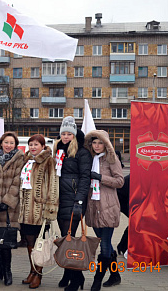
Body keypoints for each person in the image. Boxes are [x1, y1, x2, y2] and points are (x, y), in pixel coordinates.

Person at [53, 116, 92, 291]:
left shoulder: (82, 152)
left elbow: (85, 178)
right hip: (60, 199)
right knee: (64, 237)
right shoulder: (58, 149)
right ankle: (68, 273)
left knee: (70, 238)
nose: (66, 136)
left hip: (74, 199)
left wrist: (80, 200)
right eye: (63, 133)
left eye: (69, 133)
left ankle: (77, 277)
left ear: (75, 135)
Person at [84, 130, 124, 291]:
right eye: (94, 142)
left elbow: (120, 181)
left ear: (106, 144)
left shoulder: (111, 159)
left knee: (105, 245)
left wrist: (100, 177)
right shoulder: (90, 159)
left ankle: (97, 280)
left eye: (100, 143)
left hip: (108, 208)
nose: (97, 145)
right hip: (93, 207)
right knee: (104, 243)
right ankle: (115, 275)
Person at [19, 134, 59, 289]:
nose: (33, 147)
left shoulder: (49, 161)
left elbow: (53, 185)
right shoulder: (27, 160)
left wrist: (50, 207)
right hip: (25, 210)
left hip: (39, 209)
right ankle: (32, 270)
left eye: (36, 144)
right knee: (29, 241)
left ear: (43, 146)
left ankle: (39, 274)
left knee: (39, 242)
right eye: (31, 144)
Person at [0, 132, 24, 286]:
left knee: (6, 243)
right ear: (1, 143)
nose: (8, 145)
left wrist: (7, 201)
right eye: (6, 142)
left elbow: (17, 182)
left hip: (9, 208)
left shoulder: (19, 158)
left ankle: (7, 272)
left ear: (15, 145)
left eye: (11, 143)